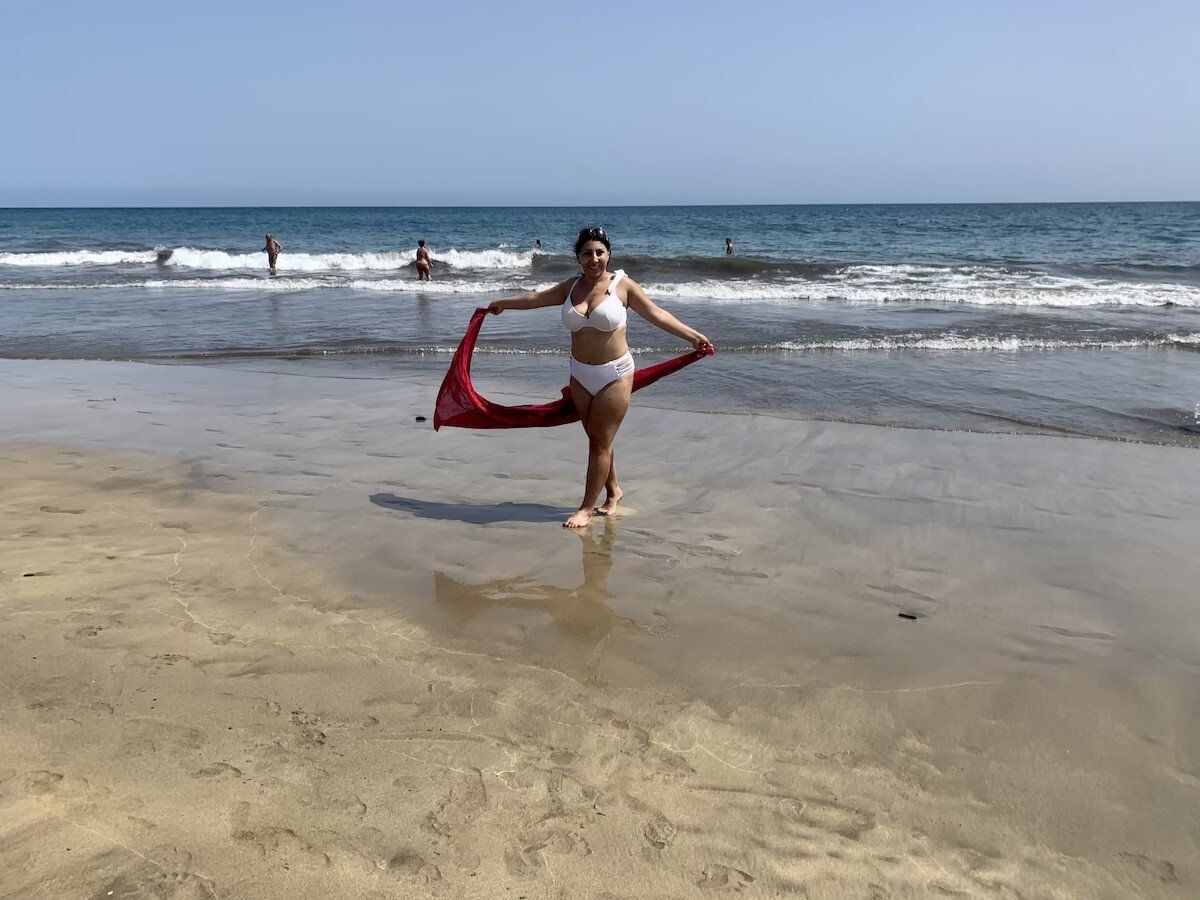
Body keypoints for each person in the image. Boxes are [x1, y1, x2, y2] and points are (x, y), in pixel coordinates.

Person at [487, 227, 712, 529]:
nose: (594, 259)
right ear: (578, 258)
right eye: (587, 253)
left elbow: (657, 314)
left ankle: (585, 508)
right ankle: (614, 490)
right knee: (599, 438)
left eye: (599, 252)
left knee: (599, 442)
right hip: (580, 374)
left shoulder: (623, 286)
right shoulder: (570, 287)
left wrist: (693, 336)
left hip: (615, 374)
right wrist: (503, 303)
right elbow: (535, 298)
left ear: (608, 255)